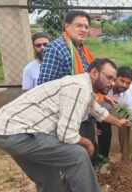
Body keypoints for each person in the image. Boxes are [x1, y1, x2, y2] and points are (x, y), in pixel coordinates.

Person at [0, 58, 127, 192]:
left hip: (2, 129)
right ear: (94, 73)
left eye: (113, 79)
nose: (112, 83)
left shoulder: (83, 87)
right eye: (109, 77)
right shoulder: (79, 89)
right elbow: (67, 134)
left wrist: (118, 122)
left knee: (46, 171)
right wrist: (87, 142)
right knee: (78, 155)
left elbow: (98, 111)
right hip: (17, 132)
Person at [37, 11, 102, 168]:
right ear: (67, 26)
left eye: (87, 26)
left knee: (86, 154)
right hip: (66, 114)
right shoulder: (56, 49)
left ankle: (84, 183)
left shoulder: (82, 50)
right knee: (73, 157)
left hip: (83, 112)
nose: (84, 29)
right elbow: (44, 85)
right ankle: (72, 188)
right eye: (79, 25)